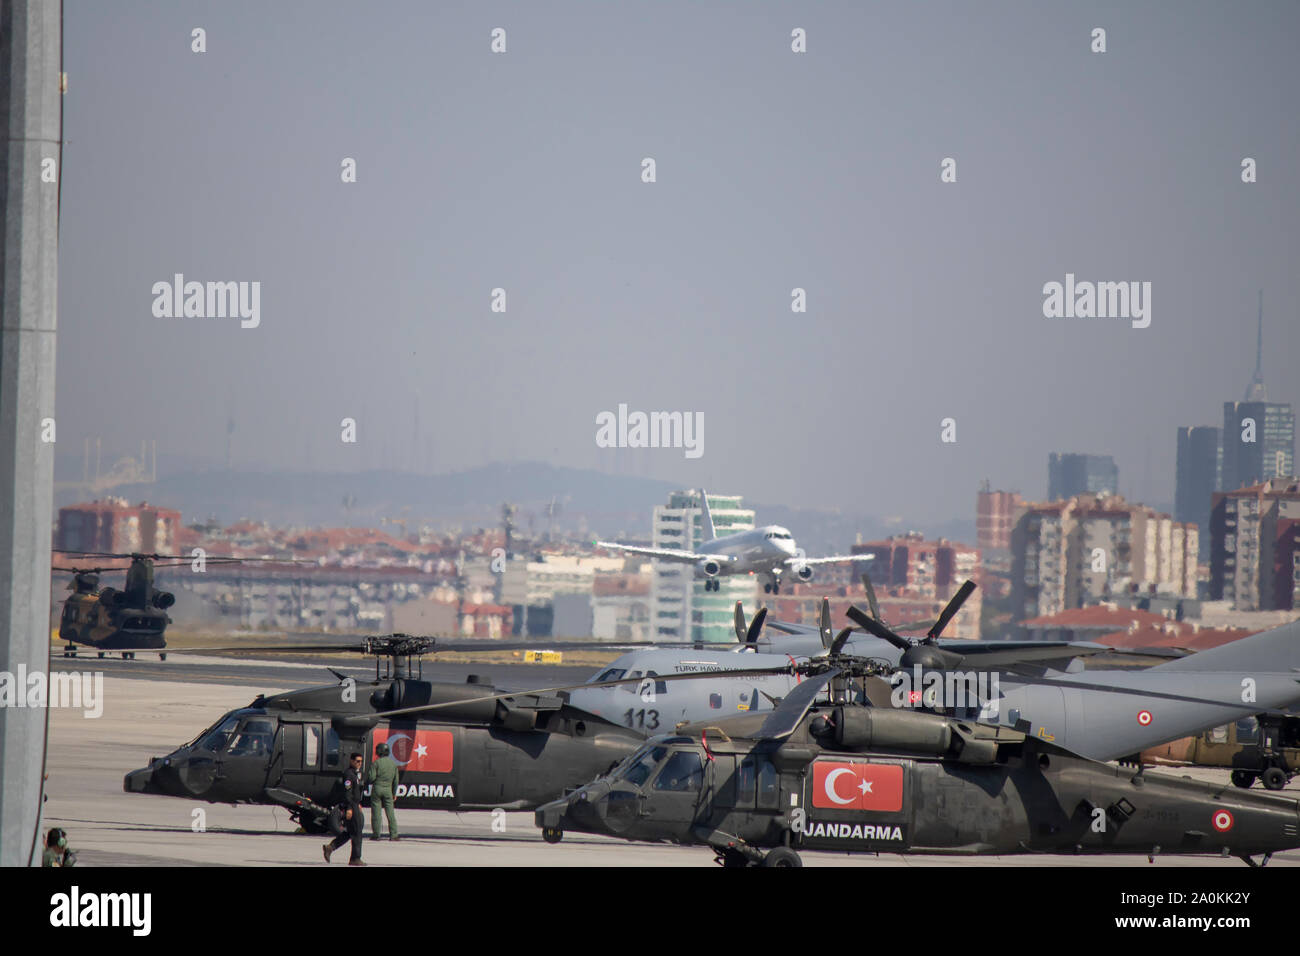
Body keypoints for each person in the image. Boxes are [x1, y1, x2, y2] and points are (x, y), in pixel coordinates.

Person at [323, 752, 365, 866]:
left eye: (361, 761)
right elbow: (348, 793)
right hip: (351, 806)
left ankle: (330, 848)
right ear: (351, 761)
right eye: (357, 761)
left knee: (350, 832)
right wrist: (350, 808)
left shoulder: (356, 774)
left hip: (355, 804)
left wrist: (358, 803)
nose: (359, 763)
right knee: (357, 833)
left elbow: (356, 792)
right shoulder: (348, 774)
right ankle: (355, 858)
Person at [367, 741, 401, 841]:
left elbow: (371, 778)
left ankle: (376, 835)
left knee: (376, 813)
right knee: (390, 813)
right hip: (388, 790)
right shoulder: (393, 764)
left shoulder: (376, 763)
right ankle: (394, 835)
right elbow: (396, 781)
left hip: (377, 789)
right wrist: (394, 793)